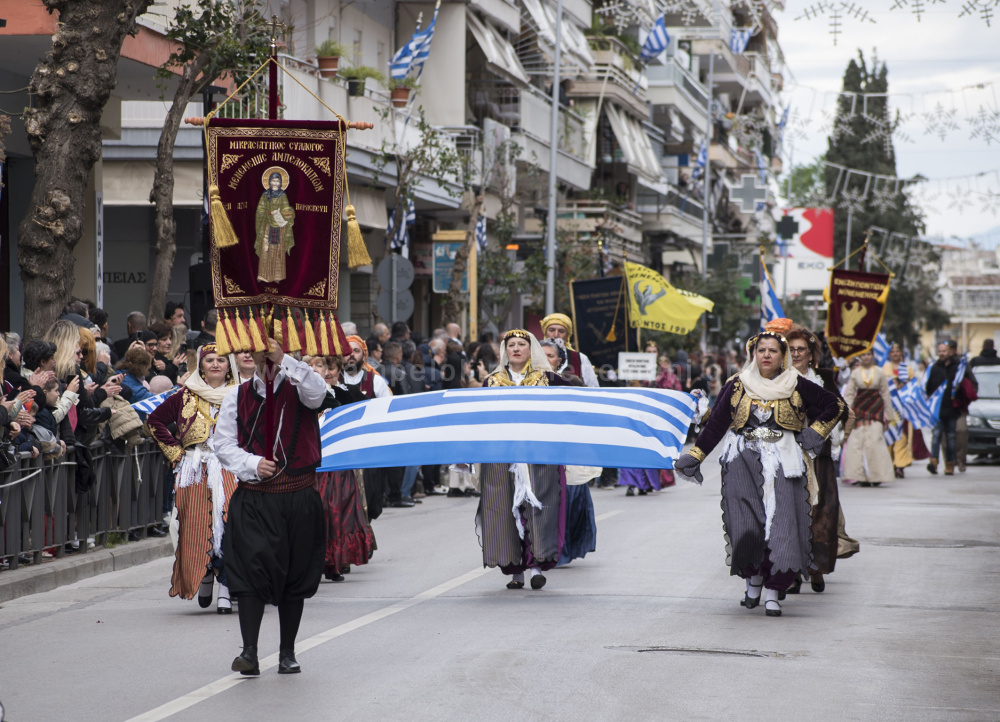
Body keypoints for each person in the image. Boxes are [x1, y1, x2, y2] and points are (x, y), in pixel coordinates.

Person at [674, 319, 843, 618]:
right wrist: (696, 455)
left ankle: (773, 591)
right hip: (742, 460)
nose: (766, 355)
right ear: (754, 354)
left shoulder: (796, 383)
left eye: (773, 351)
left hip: (785, 461)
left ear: (783, 356)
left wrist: (814, 433)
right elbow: (717, 425)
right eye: (761, 350)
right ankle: (753, 578)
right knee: (747, 525)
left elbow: (836, 406)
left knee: (781, 526)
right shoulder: (738, 384)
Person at [215, 337, 327, 676]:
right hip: (255, 498)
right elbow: (222, 444)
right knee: (251, 571)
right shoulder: (237, 394)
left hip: (298, 496)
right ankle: (249, 651)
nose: (254, 354)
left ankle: (287, 652)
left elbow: (318, 394)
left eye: (263, 348)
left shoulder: (300, 382)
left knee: (295, 573)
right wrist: (251, 464)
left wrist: (287, 361)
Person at [147, 344, 238, 614]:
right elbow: (154, 422)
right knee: (197, 525)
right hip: (195, 469)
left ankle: (226, 587)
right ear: (200, 365)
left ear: (228, 365)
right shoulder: (185, 395)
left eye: (221, 360)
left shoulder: (241, 395)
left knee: (231, 523)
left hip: (230, 468)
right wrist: (176, 454)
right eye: (209, 359)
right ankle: (205, 573)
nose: (215, 364)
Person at [478, 329, 570, 591]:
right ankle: (515, 570)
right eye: (511, 345)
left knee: (539, 508)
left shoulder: (549, 379)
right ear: (504, 351)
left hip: (539, 455)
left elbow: (576, 403)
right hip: (501, 455)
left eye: (521, 344)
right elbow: (479, 420)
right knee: (503, 509)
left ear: (531, 350)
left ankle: (536, 567)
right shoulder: (491, 382)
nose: (516, 348)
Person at [785, 323, 852, 595]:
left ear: (811, 353)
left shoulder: (823, 377)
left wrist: (831, 435)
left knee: (822, 514)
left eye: (802, 349)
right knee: (790, 515)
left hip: (820, 457)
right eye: (791, 349)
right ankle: (791, 573)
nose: (797, 354)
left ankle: (816, 568)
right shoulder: (778, 378)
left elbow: (842, 411)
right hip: (787, 456)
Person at [312, 355, 375, 582]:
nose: (319, 370)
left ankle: (334, 562)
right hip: (312, 464)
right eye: (310, 366)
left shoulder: (342, 394)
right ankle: (314, 562)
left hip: (336, 465)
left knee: (336, 513)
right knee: (315, 513)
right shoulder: (300, 394)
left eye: (320, 366)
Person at [540, 338, 597, 567]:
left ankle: (562, 548)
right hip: (537, 453)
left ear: (560, 360)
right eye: (540, 355)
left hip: (566, 453)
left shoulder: (570, 383)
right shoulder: (522, 385)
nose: (545, 360)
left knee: (568, 499)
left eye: (550, 356)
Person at [618, 353, 681, 495]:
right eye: (649, 350)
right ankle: (631, 483)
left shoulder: (663, 376)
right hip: (633, 414)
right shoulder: (638, 370)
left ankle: (644, 483)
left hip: (652, 417)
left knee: (647, 450)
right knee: (631, 450)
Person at [842, 350, 894, 487]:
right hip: (859, 408)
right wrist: (847, 412)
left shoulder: (880, 372)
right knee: (856, 442)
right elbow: (849, 394)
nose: (866, 357)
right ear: (860, 357)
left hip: (875, 409)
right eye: (863, 355)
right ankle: (859, 476)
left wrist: (889, 415)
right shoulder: (855, 373)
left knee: (875, 441)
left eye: (868, 355)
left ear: (872, 356)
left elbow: (885, 393)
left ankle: (877, 475)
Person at [925, 341, 966, 476]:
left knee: (951, 437)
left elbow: (963, 386)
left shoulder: (958, 367)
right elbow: (928, 387)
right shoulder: (934, 367)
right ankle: (934, 461)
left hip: (952, 409)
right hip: (937, 409)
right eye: (940, 351)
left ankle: (950, 463)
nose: (942, 354)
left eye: (944, 351)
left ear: (950, 352)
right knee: (936, 435)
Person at [255, 170, 296, 283]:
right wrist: (266, 214)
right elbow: (260, 209)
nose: (275, 183)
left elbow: (286, 208)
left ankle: (277, 277)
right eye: (273, 180)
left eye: (278, 181)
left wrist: (284, 213)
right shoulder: (265, 195)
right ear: (269, 181)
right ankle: (263, 276)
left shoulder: (283, 195)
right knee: (265, 250)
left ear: (281, 182)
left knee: (278, 251)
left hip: (279, 226)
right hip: (267, 225)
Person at [540, 313, 600, 388]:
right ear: (545, 332)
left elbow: (593, 389)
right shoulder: (533, 356)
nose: (556, 335)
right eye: (551, 330)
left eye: (561, 331)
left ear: (567, 335)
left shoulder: (580, 358)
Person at [882, 343, 913, 478]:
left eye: (897, 351)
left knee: (902, 436)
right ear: (889, 354)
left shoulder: (908, 369)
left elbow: (913, 387)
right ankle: (889, 464)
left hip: (903, 408)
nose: (895, 353)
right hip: (889, 407)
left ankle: (900, 465)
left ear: (901, 353)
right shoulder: (884, 368)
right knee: (889, 435)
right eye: (892, 351)